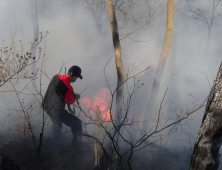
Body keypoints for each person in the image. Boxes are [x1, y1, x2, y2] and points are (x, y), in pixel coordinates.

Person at [42, 65, 83, 146]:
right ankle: (78, 145)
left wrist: (70, 94)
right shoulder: (69, 88)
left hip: (46, 105)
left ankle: (54, 145)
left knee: (57, 125)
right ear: (74, 76)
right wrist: (75, 96)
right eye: (76, 77)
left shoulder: (56, 76)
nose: (76, 79)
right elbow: (69, 101)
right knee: (77, 123)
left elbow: (58, 91)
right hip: (56, 111)